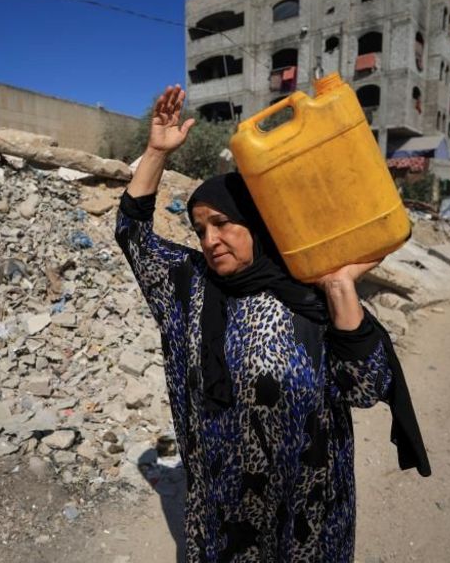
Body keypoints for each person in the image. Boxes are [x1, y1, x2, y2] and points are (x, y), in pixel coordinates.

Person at [115, 85, 429, 562]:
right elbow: (132, 234)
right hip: (222, 513)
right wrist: (156, 151)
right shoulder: (188, 287)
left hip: (306, 515)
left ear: (257, 223)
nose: (211, 239)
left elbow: (364, 389)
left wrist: (341, 288)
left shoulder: (307, 290)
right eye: (200, 230)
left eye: (222, 223)